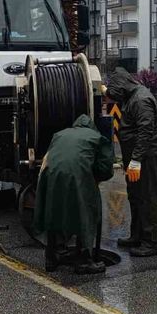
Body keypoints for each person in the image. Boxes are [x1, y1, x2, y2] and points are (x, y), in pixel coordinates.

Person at [33, 114, 115, 274]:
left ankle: (52, 257)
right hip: (77, 176)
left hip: (51, 177)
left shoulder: (59, 134)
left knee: (55, 211)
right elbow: (105, 168)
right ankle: (84, 261)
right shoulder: (97, 137)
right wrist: (95, 178)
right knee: (86, 212)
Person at [105, 66, 157, 258]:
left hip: (146, 157)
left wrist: (136, 160)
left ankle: (150, 243)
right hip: (136, 158)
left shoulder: (141, 100)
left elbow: (145, 133)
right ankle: (137, 235)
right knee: (135, 196)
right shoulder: (130, 97)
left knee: (148, 198)